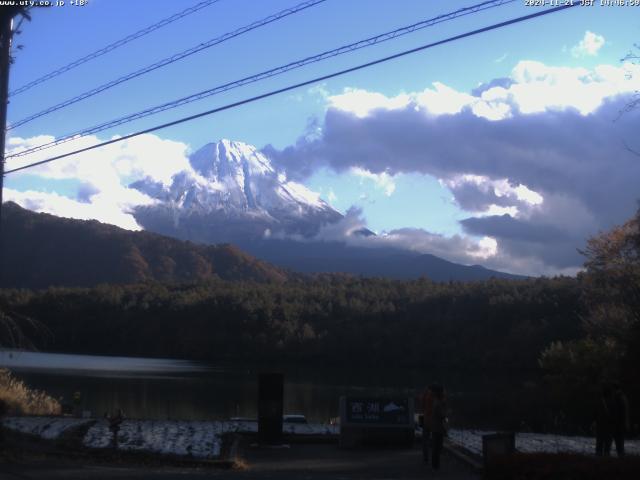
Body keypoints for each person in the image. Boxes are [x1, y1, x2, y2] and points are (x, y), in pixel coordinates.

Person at [430, 384, 447, 470]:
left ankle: (435, 464)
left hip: (435, 427)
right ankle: (435, 465)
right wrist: (448, 413)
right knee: (437, 447)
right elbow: (441, 414)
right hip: (438, 427)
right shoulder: (439, 403)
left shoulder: (436, 401)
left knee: (436, 446)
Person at [595, 383, 615, 456]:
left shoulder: (599, 402)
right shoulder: (613, 402)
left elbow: (596, 414)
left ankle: (597, 462)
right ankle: (606, 461)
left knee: (599, 445)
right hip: (609, 426)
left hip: (600, 426)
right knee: (607, 447)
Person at [612, 382, 630, 457]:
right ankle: (621, 458)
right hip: (622, 424)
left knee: (619, 443)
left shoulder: (618, 397)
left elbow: (618, 412)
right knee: (620, 443)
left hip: (619, 424)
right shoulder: (623, 397)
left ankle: (621, 458)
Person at [421, 386, 434, 463]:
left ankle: (426, 457)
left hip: (427, 420)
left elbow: (422, 404)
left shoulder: (426, 394)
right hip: (435, 421)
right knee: (435, 439)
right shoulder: (439, 395)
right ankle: (435, 456)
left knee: (425, 439)